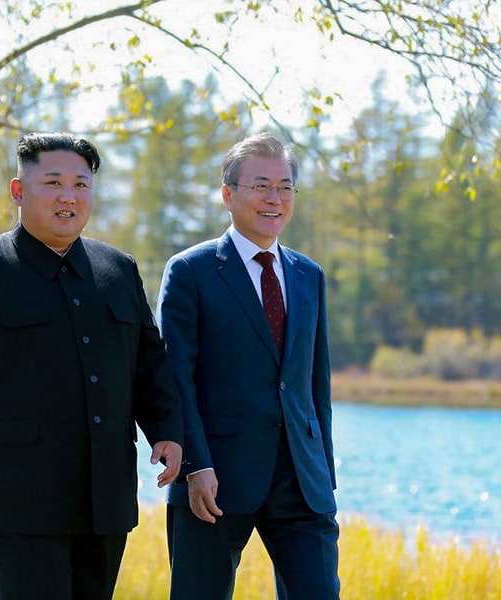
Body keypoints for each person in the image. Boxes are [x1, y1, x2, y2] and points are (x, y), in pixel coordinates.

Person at [0, 131, 183, 600]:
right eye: (53, 183)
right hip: (14, 499)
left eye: (81, 185)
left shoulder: (118, 269)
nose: (69, 196)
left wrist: (166, 428)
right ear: (19, 191)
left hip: (104, 496)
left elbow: (148, 361)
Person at [156, 132, 340, 599]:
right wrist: (195, 465)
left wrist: (324, 475)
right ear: (228, 195)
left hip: (301, 481)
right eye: (261, 186)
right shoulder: (190, 271)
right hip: (213, 481)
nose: (274, 198)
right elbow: (177, 380)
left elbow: (315, 386)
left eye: (284, 187)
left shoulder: (308, 275)